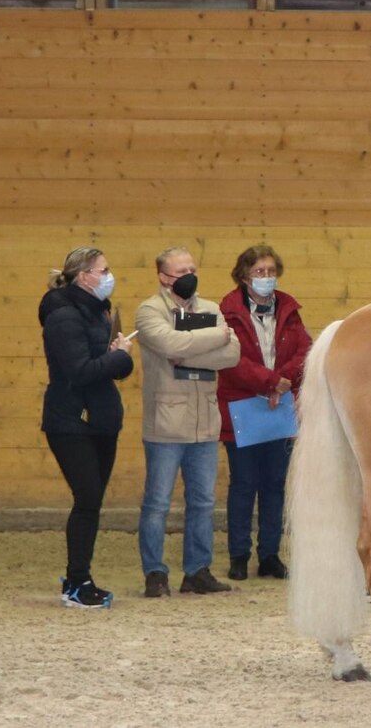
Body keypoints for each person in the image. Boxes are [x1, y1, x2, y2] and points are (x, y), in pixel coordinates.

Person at [134, 246, 241, 598]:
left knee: (203, 502)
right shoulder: (151, 310)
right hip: (165, 424)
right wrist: (212, 339)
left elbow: (232, 353)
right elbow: (167, 345)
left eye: (192, 269)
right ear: (164, 278)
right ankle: (155, 573)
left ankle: (197, 570)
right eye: (180, 272)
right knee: (158, 503)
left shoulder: (209, 309)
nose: (188, 277)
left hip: (205, 422)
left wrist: (190, 349)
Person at [40, 247, 135, 609]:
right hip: (71, 419)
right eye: (103, 270)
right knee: (88, 498)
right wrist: (117, 356)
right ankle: (77, 582)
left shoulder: (99, 311)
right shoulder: (64, 315)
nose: (109, 276)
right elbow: (79, 370)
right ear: (84, 276)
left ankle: (80, 577)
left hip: (100, 419)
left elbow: (117, 369)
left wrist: (119, 355)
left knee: (91, 502)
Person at [218, 244, 312, 581]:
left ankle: (270, 554)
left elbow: (305, 349)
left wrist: (283, 383)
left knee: (275, 484)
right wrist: (271, 382)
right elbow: (229, 360)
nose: (267, 278)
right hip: (243, 406)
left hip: (280, 407)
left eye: (271, 271)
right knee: (243, 484)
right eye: (260, 272)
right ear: (244, 276)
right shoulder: (227, 311)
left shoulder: (289, 308)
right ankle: (239, 554)